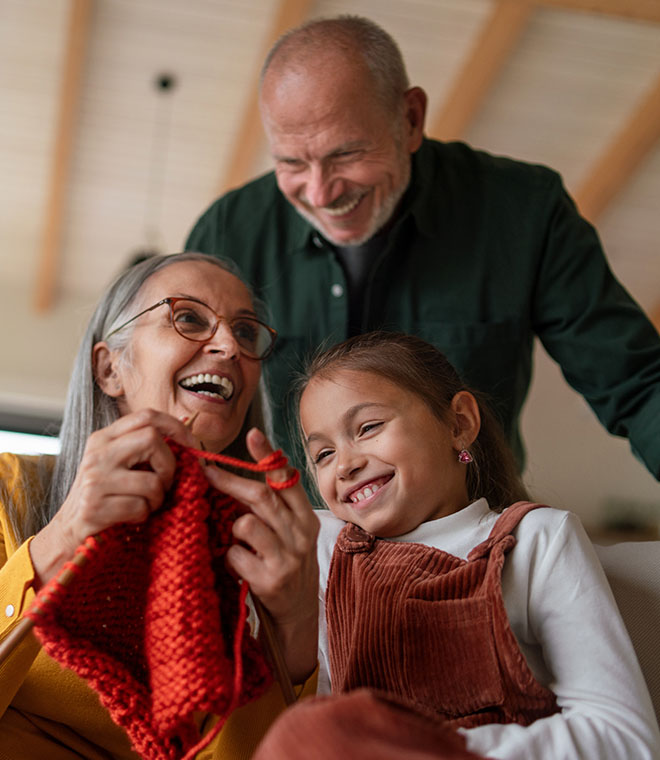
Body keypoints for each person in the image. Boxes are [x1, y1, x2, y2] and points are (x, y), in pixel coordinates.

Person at [184, 14, 660, 481]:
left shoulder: (526, 211)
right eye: (292, 163)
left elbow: (636, 383)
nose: (321, 193)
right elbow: (180, 405)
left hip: (472, 542)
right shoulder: (228, 232)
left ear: (411, 119)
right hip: (287, 544)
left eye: (346, 154)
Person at [0, 252, 320, 759]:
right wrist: (60, 539)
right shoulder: (6, 489)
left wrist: (295, 628)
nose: (228, 345)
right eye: (189, 317)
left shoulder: (268, 551)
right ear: (109, 369)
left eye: (245, 331)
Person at [284, 331, 659, 759]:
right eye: (323, 455)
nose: (346, 465)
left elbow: (624, 739)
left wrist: (421, 748)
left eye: (368, 428)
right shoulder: (327, 549)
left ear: (459, 424)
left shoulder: (538, 538)